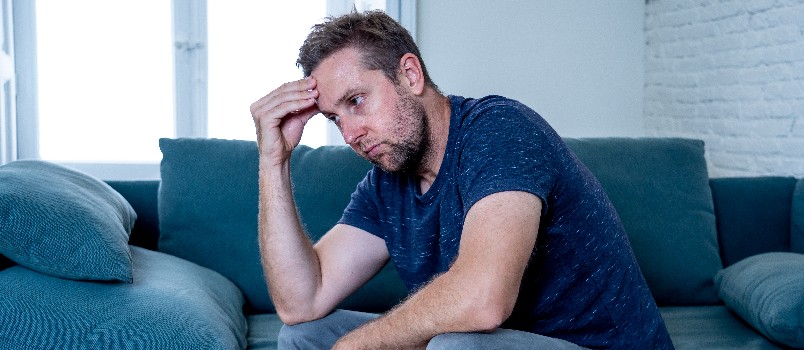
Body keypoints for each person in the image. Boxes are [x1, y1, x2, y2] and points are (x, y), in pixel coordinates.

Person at [250, 10, 673, 350]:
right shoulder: (387, 181)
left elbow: (483, 299)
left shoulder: (499, 130)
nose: (351, 134)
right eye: (335, 118)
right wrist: (274, 160)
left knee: (455, 345)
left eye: (357, 101)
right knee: (303, 337)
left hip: (591, 345)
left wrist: (357, 346)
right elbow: (301, 302)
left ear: (410, 75)